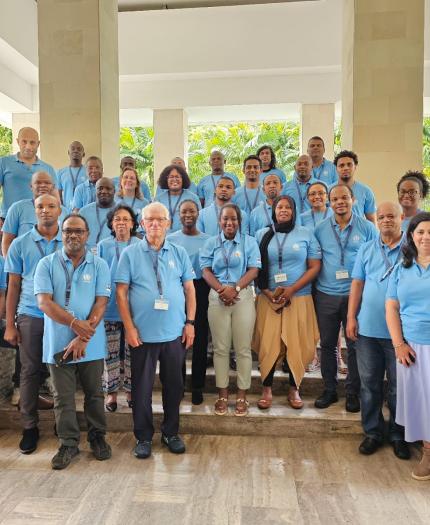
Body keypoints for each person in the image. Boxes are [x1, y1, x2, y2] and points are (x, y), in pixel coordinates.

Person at [116, 202, 196, 459]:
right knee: (141, 389)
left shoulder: (179, 252)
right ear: (141, 224)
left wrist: (190, 323)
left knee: (175, 386)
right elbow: (121, 292)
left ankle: (171, 432)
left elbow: (190, 290)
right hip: (142, 336)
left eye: (160, 219)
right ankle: (143, 437)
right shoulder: (130, 253)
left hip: (174, 334)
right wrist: (129, 327)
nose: (155, 224)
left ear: (168, 223)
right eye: (149, 220)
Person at [34, 214, 112, 470]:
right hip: (57, 343)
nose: (73, 235)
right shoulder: (46, 264)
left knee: (95, 395)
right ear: (61, 234)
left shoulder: (100, 264)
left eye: (78, 231)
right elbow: (44, 302)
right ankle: (68, 443)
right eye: (68, 231)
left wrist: (82, 335)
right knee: (63, 398)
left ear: (87, 235)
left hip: (91, 344)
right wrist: (73, 324)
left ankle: (97, 437)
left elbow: (102, 302)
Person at [347, 202, 410, 459]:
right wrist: (351, 317)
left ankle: (398, 434)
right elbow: (357, 283)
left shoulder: (413, 249)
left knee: (398, 387)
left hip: (402, 335)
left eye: (391, 216)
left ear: (402, 218)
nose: (385, 220)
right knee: (369, 385)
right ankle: (372, 432)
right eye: (381, 216)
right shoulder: (367, 248)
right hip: (368, 331)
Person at [4, 194, 62, 454]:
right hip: (30, 314)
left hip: (62, 315)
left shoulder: (71, 238)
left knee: (62, 370)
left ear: (59, 210)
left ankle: (64, 423)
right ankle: (30, 427)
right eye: (41, 207)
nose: (46, 211)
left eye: (51, 206)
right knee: (29, 372)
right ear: (33, 210)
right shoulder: (20, 244)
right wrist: (10, 324)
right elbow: (13, 285)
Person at [253, 196, 321, 410]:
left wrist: (292, 289)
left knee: (296, 343)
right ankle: (266, 389)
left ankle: (294, 388)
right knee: (268, 343)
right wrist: (266, 291)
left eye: (287, 207)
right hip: (268, 298)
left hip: (299, 297)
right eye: (279, 207)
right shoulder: (261, 234)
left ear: (294, 210)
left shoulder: (306, 234)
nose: (283, 210)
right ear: (274, 211)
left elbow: (314, 266)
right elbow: (254, 266)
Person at [313, 184, 377, 411]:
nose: (340, 202)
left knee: (354, 345)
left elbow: (375, 261)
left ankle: (352, 392)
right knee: (328, 345)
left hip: (355, 296)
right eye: (335, 199)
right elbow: (314, 262)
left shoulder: (368, 228)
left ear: (353, 200)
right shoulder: (320, 229)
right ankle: (330, 390)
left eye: (344, 198)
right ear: (329, 202)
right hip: (326, 295)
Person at [200, 204, 261, 416]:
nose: (229, 223)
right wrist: (221, 290)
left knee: (243, 349)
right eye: (225, 219)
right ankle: (223, 395)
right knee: (220, 349)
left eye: (233, 219)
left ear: (239, 221)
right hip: (217, 297)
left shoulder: (249, 242)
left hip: (242, 295)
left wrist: (234, 289)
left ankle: (242, 395)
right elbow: (205, 270)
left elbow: (254, 269)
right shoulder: (210, 243)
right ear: (219, 221)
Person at [386, 212, 430, 481]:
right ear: (411, 236)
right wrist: (399, 344)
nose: (426, 237)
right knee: (420, 402)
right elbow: (391, 306)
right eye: (421, 232)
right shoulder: (401, 267)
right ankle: (428, 452)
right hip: (411, 347)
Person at [97, 204, 140, 412]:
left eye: (125, 219)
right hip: (109, 309)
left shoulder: (140, 244)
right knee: (110, 353)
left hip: (135, 310)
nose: (121, 222)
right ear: (111, 224)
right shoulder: (104, 246)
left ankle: (132, 392)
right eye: (117, 219)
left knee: (133, 353)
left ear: (133, 223)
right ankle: (111, 394)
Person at [167, 200, 210, 405]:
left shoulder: (208, 240)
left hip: (201, 289)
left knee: (200, 339)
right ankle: (179, 384)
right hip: (177, 289)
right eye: (184, 211)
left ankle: (197, 386)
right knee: (178, 340)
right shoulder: (170, 239)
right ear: (178, 214)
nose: (188, 214)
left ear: (198, 213)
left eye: (191, 211)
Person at [2, 171, 66, 257]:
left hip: (58, 267)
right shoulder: (17, 208)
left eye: (47, 183)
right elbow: (7, 242)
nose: (43, 185)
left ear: (53, 186)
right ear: (31, 186)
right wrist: (10, 266)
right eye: (38, 182)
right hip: (27, 267)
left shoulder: (64, 211)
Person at [0, 127, 57, 220]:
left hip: (39, 221)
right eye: (24, 141)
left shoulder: (48, 169)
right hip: (7, 219)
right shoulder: (4, 163)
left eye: (32, 142)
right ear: (18, 141)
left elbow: (54, 198)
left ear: (38, 144)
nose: (28, 146)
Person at [332, 150, 376, 223]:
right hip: (333, 232)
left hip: (358, 232)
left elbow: (371, 220)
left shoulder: (366, 191)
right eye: (341, 165)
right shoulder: (328, 190)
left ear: (355, 167)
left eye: (349, 164)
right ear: (336, 168)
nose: (345, 168)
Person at [155, 165, 201, 232]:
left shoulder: (193, 198)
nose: (174, 179)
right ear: (166, 179)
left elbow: (199, 219)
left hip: (185, 236)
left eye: (177, 177)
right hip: (163, 238)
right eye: (171, 177)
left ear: (183, 179)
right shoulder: (158, 199)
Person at [79, 177, 116, 251]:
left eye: (108, 188)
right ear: (95, 191)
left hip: (113, 256)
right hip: (88, 255)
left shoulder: (122, 211)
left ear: (114, 191)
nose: (104, 191)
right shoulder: (83, 212)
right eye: (100, 188)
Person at [57, 141, 87, 212]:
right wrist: (62, 210)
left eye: (79, 149)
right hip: (67, 212)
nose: (76, 151)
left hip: (84, 211)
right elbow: (58, 195)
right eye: (73, 149)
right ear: (68, 152)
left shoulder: (88, 172)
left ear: (83, 154)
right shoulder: (61, 172)